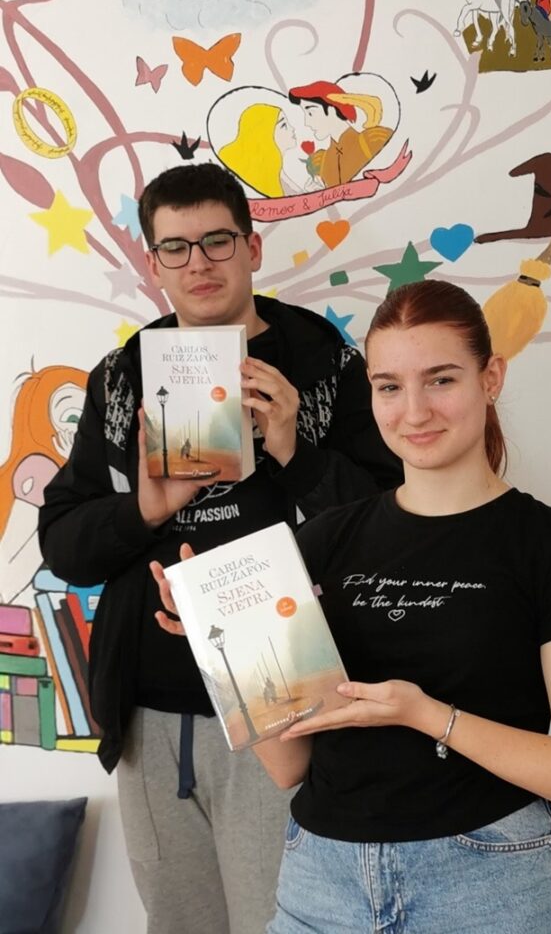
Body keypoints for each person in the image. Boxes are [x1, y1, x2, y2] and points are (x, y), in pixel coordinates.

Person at [154, 278, 551, 933]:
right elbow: (289, 766)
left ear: (490, 378)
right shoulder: (321, 541)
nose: (414, 412)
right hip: (322, 885)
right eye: (389, 387)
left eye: (441, 380)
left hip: (488, 883)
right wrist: (227, 646)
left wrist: (426, 715)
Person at [39, 163, 403, 934]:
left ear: (252, 247)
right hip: (149, 709)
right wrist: (145, 508)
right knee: (178, 922)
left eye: (216, 241)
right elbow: (65, 544)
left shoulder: (325, 364)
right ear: (153, 262)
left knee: (284, 919)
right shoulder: (122, 377)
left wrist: (294, 449)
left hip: (288, 699)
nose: (197, 263)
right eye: (175, 247)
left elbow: (393, 530)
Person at [287, 80, 394, 188]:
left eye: (310, 113)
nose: (306, 122)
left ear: (332, 109)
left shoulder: (373, 140)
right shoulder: (321, 162)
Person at [218, 104, 305, 199]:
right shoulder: (258, 175)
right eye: (284, 125)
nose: (292, 128)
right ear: (265, 134)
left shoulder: (277, 170)